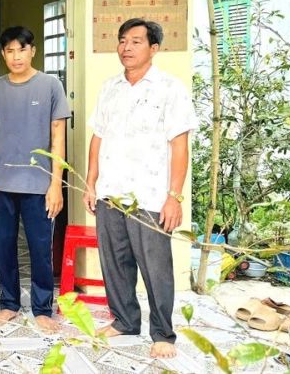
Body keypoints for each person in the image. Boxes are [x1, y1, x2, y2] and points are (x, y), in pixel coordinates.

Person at [84, 18, 197, 359]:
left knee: (155, 266)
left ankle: (162, 332)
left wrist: (174, 197)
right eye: (122, 41)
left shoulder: (169, 88)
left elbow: (179, 144)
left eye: (135, 41)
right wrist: (90, 183)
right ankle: (124, 320)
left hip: (149, 194)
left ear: (154, 48)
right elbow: (97, 136)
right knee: (115, 261)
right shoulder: (110, 87)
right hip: (110, 191)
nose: (126, 47)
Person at [0, 26, 70, 332]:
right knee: (3, 246)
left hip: (39, 184)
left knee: (40, 248)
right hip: (0, 181)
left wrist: (56, 183)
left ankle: (43, 308)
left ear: (33, 51)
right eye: (9, 51)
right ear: (3, 54)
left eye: (22, 49)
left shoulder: (50, 85)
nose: (16, 57)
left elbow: (59, 136)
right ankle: (9, 304)